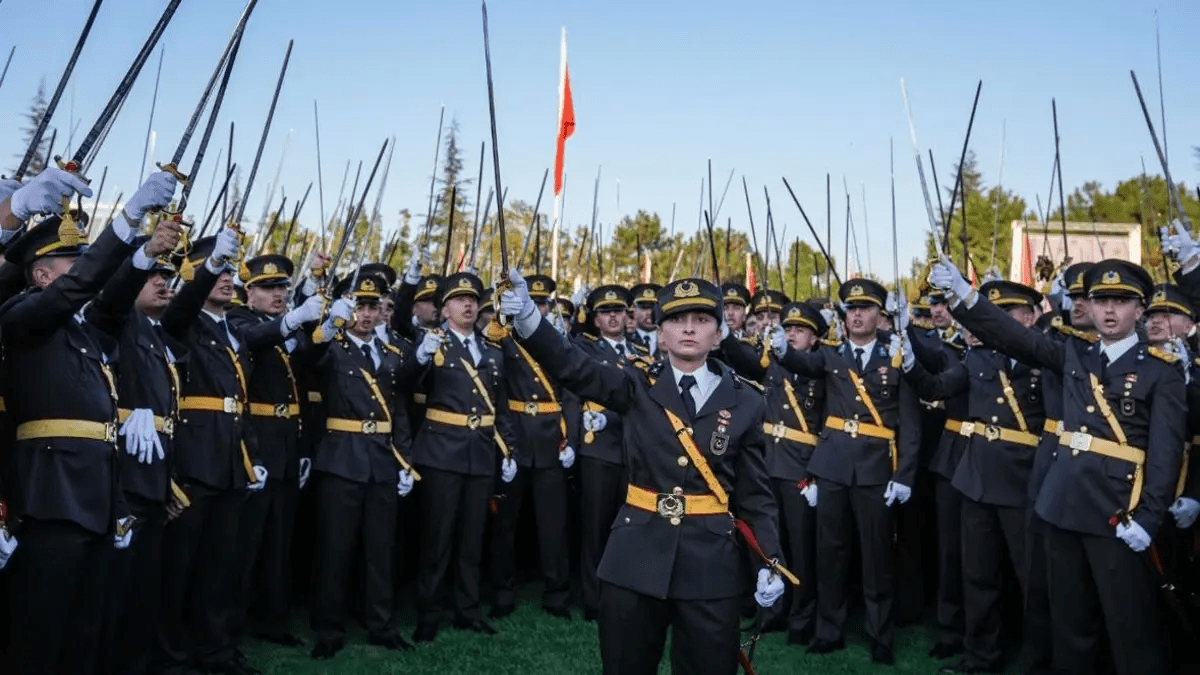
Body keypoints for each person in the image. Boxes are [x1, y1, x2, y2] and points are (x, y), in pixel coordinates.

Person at [499, 272, 788, 675]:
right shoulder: (636, 384)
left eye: (702, 319)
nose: (689, 327)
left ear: (719, 335)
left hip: (710, 566)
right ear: (661, 334)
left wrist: (769, 561)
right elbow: (573, 367)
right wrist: (530, 317)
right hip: (635, 559)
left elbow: (756, 497)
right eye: (676, 319)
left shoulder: (747, 402)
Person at [930, 256, 1185, 675]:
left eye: (1120, 301)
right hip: (1062, 506)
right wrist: (964, 293)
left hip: (1117, 512)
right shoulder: (1073, 353)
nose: (1107, 310)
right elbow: (1014, 336)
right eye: (1100, 300)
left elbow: (1165, 454)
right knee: (1070, 623)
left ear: (1140, 310)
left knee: (1130, 625)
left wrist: (1150, 517)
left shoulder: (1161, 372)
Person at [0, 169, 178, 675]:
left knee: (86, 631)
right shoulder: (25, 315)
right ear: (41, 274)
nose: (83, 272)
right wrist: (123, 223)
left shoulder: (85, 331)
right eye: (71, 263)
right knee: (42, 633)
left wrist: (141, 251)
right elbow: (81, 288)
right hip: (51, 496)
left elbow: (114, 297)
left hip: (97, 496)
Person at [768, 278, 921, 665]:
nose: (856, 315)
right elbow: (802, 361)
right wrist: (783, 349)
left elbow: (910, 424)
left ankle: (880, 636)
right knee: (830, 555)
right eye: (851, 309)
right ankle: (828, 631)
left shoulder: (896, 356)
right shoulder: (832, 355)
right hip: (832, 467)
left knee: (876, 558)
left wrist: (903, 476)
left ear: (879, 315)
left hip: (874, 469)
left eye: (865, 308)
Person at [903, 279, 1047, 674]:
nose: (994, 323)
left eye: (1006, 315)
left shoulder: (1044, 359)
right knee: (977, 575)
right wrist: (910, 358)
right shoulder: (977, 359)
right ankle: (981, 655)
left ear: (1031, 318)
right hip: (977, 478)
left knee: (1031, 578)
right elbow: (937, 385)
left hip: (1024, 480)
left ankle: (1037, 657)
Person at [156, 230, 268, 675]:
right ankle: (171, 656)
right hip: (193, 460)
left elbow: (239, 401)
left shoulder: (234, 328)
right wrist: (205, 271)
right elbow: (183, 305)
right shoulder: (181, 319)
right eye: (213, 270)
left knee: (220, 568)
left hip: (230, 461)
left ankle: (215, 651)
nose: (224, 278)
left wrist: (252, 453)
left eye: (226, 270)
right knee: (179, 569)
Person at [88, 238, 189, 675]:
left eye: (167, 277)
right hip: (122, 475)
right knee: (115, 588)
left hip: (152, 474)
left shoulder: (154, 333)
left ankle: (136, 662)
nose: (162, 283)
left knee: (143, 585)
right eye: (153, 276)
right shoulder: (116, 320)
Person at [304, 273, 418, 659]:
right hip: (341, 459)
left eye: (372, 306)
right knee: (335, 550)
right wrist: (328, 323)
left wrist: (404, 460)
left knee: (379, 550)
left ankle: (381, 625)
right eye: (359, 306)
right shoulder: (332, 347)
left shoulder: (390, 355)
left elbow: (398, 411)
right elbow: (307, 358)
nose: (366, 314)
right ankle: (329, 629)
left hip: (382, 462)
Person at [409, 272, 519, 643]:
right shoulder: (433, 345)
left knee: (473, 539)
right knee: (437, 539)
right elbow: (406, 384)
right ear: (444, 309)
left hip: (480, 453)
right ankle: (429, 612)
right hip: (441, 452)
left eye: (473, 299)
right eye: (459, 300)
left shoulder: (491, 349)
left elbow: (500, 405)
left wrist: (509, 448)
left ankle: (467, 610)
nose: (469, 305)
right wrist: (420, 357)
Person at [226, 255, 324, 648]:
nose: (278, 294)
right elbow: (257, 339)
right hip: (256, 443)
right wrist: (295, 319)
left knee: (278, 542)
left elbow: (307, 363)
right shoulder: (239, 320)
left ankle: (271, 618)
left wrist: (325, 328)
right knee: (245, 544)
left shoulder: (285, 327)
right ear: (248, 293)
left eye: (282, 288)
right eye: (268, 288)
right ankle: (231, 624)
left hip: (285, 442)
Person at [720, 301, 827, 646]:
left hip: (801, 468)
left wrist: (818, 474)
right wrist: (725, 336)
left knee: (801, 549)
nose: (792, 334)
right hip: (769, 463)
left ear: (814, 339)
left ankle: (802, 618)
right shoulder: (773, 363)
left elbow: (830, 425)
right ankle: (770, 612)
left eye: (800, 330)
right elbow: (745, 363)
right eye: (789, 328)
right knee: (768, 546)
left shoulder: (823, 370)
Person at [490, 274, 576, 620]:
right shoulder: (503, 339)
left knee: (554, 526)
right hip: (515, 437)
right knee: (505, 525)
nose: (538, 309)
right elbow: (494, 391)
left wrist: (570, 441)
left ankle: (557, 595)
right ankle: (502, 593)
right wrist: (505, 444)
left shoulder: (556, 342)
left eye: (543, 304)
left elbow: (571, 390)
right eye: (533, 303)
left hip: (551, 440)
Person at [573, 284, 638, 622]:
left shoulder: (641, 349)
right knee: (595, 528)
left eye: (618, 311)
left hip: (632, 449)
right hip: (599, 446)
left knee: (628, 528)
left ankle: (622, 593)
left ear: (628, 316)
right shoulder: (586, 348)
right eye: (605, 312)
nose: (613, 316)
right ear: (595, 319)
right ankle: (593, 598)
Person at [628, 283, 661, 356]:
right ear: (634, 310)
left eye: (654, 308)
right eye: (644, 308)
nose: (649, 312)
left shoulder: (670, 340)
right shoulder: (624, 340)